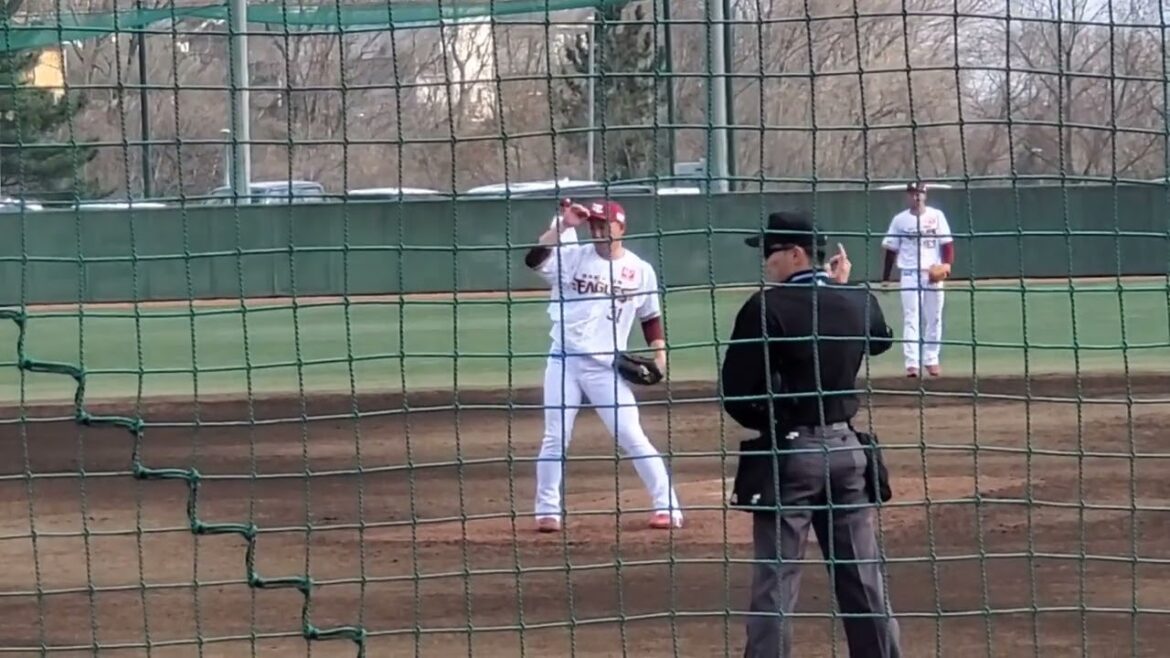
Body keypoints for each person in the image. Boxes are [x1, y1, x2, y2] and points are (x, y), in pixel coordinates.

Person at [720, 210, 902, 658]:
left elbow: (737, 395)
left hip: (792, 459)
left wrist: (778, 417)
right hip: (848, 454)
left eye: (771, 252)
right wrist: (840, 288)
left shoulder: (766, 307)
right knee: (863, 579)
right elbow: (880, 340)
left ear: (797, 254)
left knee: (776, 583)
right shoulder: (857, 299)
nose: (766, 261)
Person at [524, 198, 683, 533]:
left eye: (604, 224)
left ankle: (667, 506)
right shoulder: (573, 257)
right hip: (564, 360)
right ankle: (547, 510)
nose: (597, 230)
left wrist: (660, 355)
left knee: (631, 434)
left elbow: (650, 317)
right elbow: (534, 259)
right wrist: (564, 226)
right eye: (593, 225)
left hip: (606, 367)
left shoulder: (640, 270)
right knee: (555, 437)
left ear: (621, 227)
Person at [880, 181, 955, 377]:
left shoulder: (936, 216)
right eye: (913, 193)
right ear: (908, 196)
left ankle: (931, 359)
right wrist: (886, 278)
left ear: (925, 195)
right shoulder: (900, 220)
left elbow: (947, 244)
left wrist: (947, 265)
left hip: (932, 274)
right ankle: (912, 363)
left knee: (934, 317)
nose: (917, 196)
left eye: (920, 193)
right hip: (909, 274)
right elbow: (891, 250)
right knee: (911, 318)